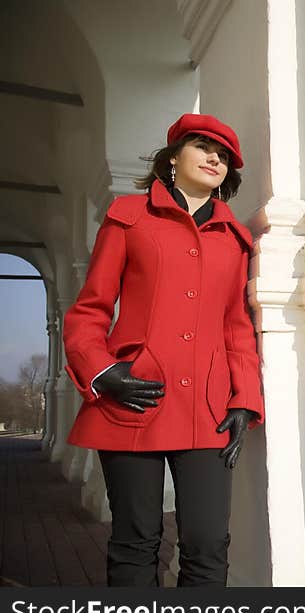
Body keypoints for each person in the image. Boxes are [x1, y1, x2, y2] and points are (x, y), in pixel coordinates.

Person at [62, 113, 265, 587]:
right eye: (202, 146)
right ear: (173, 157)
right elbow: (89, 310)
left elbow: (237, 328)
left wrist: (245, 399)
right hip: (133, 399)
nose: (215, 157)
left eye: (224, 156)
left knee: (208, 546)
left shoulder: (235, 240)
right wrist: (101, 371)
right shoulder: (128, 218)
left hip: (210, 409)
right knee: (135, 543)